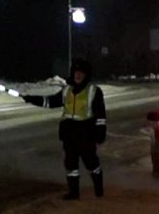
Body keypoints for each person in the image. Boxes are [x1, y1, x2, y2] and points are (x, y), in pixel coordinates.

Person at [22, 58, 107, 200]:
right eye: (76, 72)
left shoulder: (93, 91)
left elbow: (100, 114)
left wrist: (100, 132)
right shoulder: (67, 90)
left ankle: (99, 190)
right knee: (70, 164)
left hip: (86, 133)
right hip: (69, 133)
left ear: (86, 75)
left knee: (91, 162)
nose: (78, 75)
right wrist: (32, 99)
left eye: (81, 73)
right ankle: (74, 193)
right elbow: (50, 102)